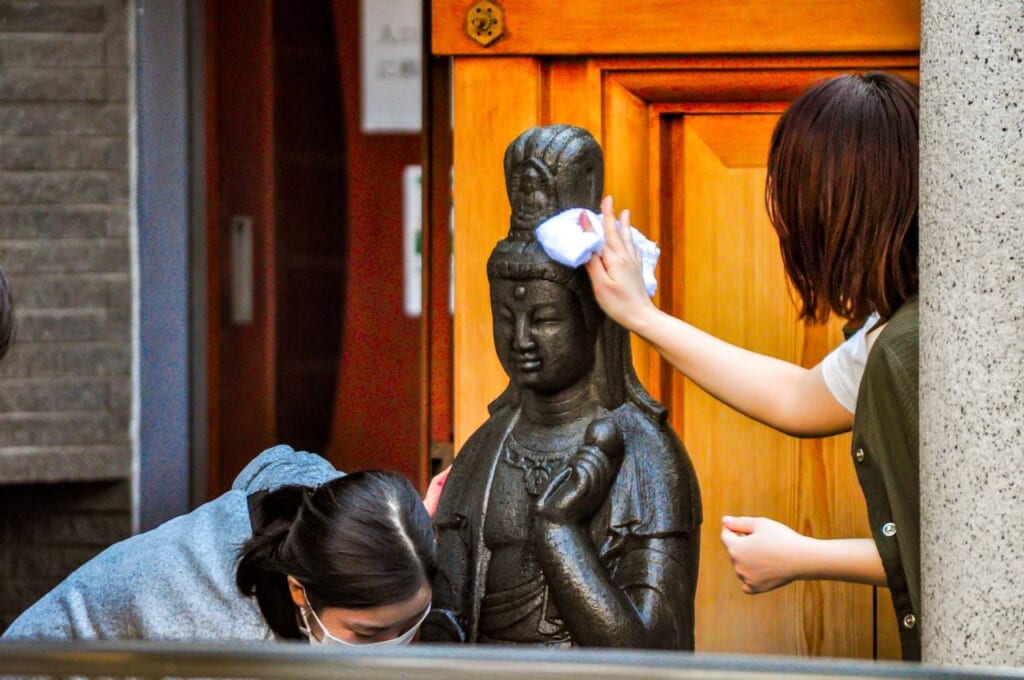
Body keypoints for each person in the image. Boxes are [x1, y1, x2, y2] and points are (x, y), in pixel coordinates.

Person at [581, 72, 920, 659]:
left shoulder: (911, 344)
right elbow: (797, 397)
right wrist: (643, 317)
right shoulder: (896, 329)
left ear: (838, 202)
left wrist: (803, 556)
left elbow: (960, 549)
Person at [425, 125, 701, 650]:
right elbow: (444, 625)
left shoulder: (646, 456)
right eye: (506, 317)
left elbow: (652, 656)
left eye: (545, 319)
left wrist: (559, 529)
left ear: (594, 320)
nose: (521, 339)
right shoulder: (484, 451)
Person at [2, 445, 436, 644]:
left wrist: (387, 533)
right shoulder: (218, 635)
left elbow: (273, 461)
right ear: (298, 589)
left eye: (409, 626)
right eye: (367, 635)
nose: (392, 648)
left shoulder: (306, 495)